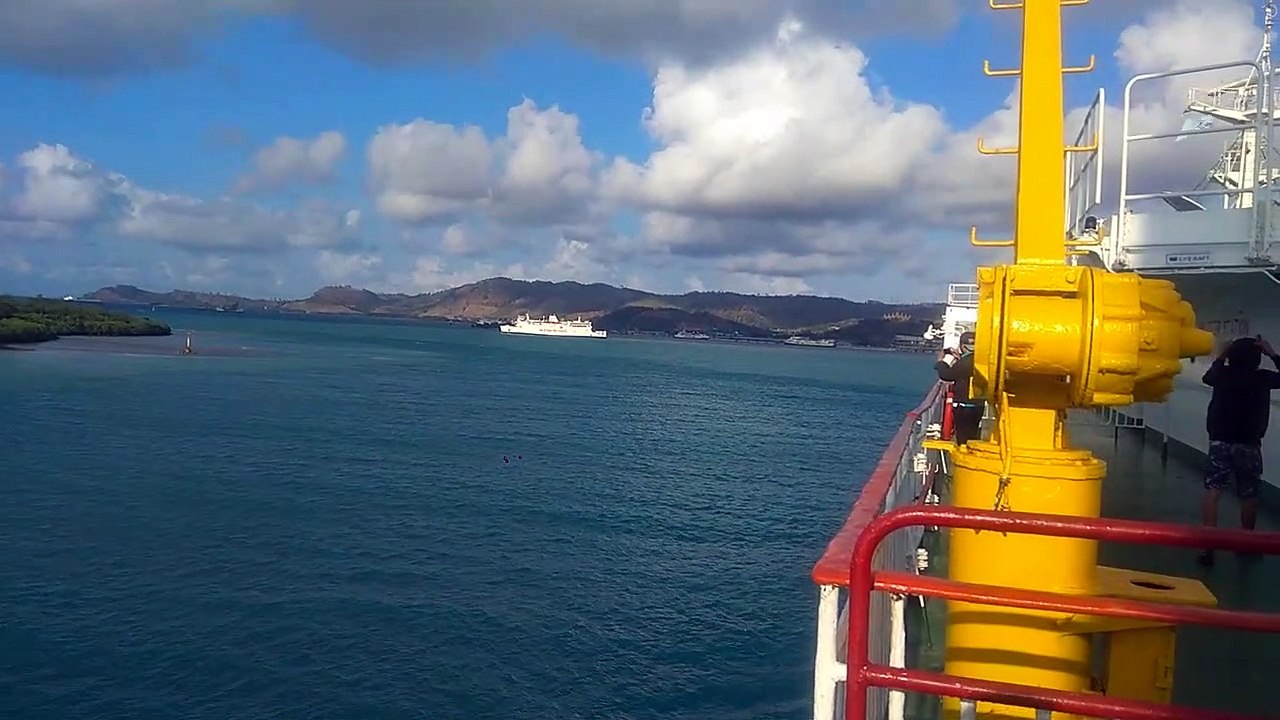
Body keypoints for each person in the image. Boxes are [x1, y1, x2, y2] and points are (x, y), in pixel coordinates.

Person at [1198, 335, 1280, 565]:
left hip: (1220, 442)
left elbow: (1208, 376)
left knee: (1213, 491)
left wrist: (1222, 354)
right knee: (1249, 494)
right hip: (1249, 444)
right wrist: (1272, 353)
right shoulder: (1262, 378)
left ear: (1231, 356)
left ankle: (1208, 547)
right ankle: (1245, 545)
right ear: (1257, 357)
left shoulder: (1222, 375)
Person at [936, 331, 985, 445]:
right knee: (973, 433)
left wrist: (941, 362)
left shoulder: (964, 363)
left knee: (963, 436)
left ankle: (965, 453)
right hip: (978, 403)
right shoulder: (979, 360)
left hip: (964, 405)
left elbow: (947, 375)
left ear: (962, 346)